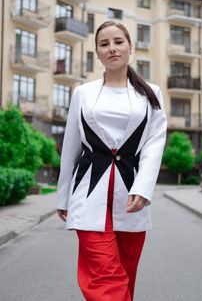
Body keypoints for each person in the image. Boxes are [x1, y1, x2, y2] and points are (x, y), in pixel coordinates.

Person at [57, 20, 167, 301]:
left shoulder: (150, 92)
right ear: (97, 52)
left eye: (118, 42)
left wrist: (143, 188)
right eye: (104, 44)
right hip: (88, 193)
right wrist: (63, 197)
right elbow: (70, 147)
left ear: (130, 47)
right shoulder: (83, 93)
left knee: (126, 275)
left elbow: (155, 142)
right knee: (105, 278)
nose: (112, 48)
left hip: (131, 196)